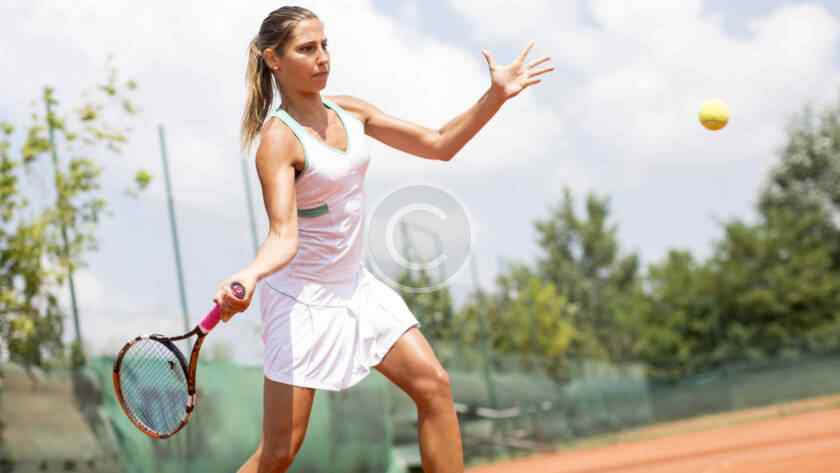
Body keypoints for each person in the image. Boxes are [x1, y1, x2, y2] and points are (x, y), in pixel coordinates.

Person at [214, 6, 553, 473]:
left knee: (433, 386)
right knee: (279, 452)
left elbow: (438, 144)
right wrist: (250, 275)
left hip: (356, 289)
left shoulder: (350, 111)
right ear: (274, 60)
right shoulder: (278, 140)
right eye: (307, 49)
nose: (322, 58)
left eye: (325, 45)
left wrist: (494, 97)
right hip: (300, 303)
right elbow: (283, 235)